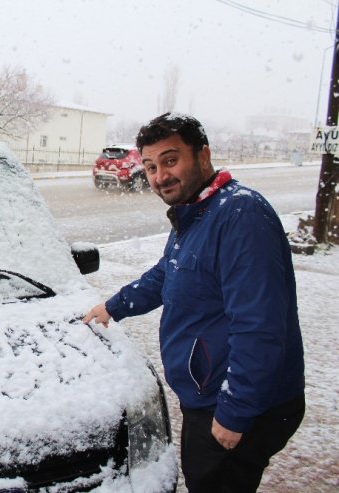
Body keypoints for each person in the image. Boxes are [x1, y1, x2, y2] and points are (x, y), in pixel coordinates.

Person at [83, 113, 305, 493]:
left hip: (231, 400)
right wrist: (114, 306)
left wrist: (236, 411)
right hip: (211, 392)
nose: (159, 177)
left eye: (171, 161)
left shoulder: (239, 215)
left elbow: (260, 325)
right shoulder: (199, 211)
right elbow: (168, 273)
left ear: (203, 156)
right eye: (150, 167)